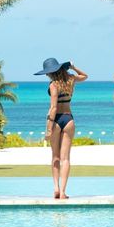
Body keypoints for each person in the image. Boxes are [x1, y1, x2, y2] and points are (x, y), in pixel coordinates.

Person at [36, 57, 87, 199]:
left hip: (57, 120)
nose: (47, 75)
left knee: (55, 157)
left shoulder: (53, 85)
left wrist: (48, 129)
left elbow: (53, 108)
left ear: (51, 72)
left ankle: (56, 188)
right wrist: (73, 67)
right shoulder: (70, 79)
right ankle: (63, 192)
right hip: (69, 119)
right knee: (66, 158)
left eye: (47, 73)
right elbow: (85, 76)